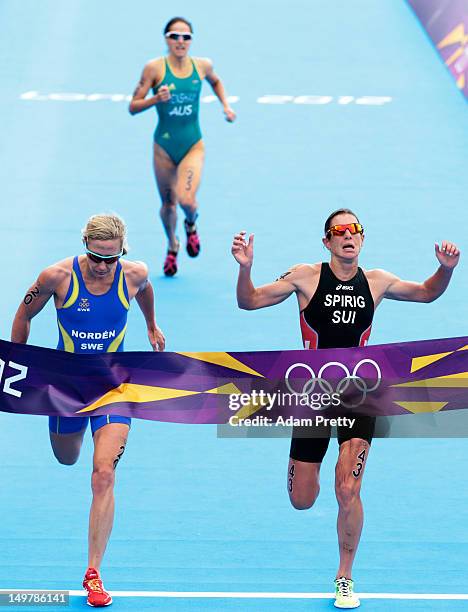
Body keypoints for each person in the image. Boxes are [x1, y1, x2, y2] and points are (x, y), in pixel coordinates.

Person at [231, 208, 460, 609]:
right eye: (339, 231)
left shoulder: (377, 282)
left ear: (362, 239)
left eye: (355, 230)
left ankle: (345, 576)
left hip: (360, 394)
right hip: (312, 395)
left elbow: (426, 292)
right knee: (302, 499)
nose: (348, 235)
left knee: (348, 487)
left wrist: (445, 270)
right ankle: (308, 473)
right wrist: (245, 269)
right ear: (327, 242)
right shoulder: (305, 276)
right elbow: (248, 302)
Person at [11, 213, 165, 608]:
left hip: (114, 387)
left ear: (122, 253)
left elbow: (146, 289)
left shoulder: (133, 275)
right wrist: (18, 360)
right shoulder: (56, 277)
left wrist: (151, 325)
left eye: (109, 259)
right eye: (94, 257)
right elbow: (24, 313)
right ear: (85, 247)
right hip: (65, 387)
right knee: (67, 457)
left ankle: (93, 572)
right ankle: (72, 434)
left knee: (102, 474)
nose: (101, 266)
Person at [129, 16, 236, 277]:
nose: (180, 41)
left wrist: (225, 104)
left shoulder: (202, 65)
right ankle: (172, 245)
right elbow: (133, 106)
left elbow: (216, 81)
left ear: (191, 41)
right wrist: (157, 98)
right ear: (166, 39)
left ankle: (190, 225)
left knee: (187, 200)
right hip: (164, 148)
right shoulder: (154, 69)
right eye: (175, 36)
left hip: (191, 145)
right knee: (168, 204)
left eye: (186, 37)